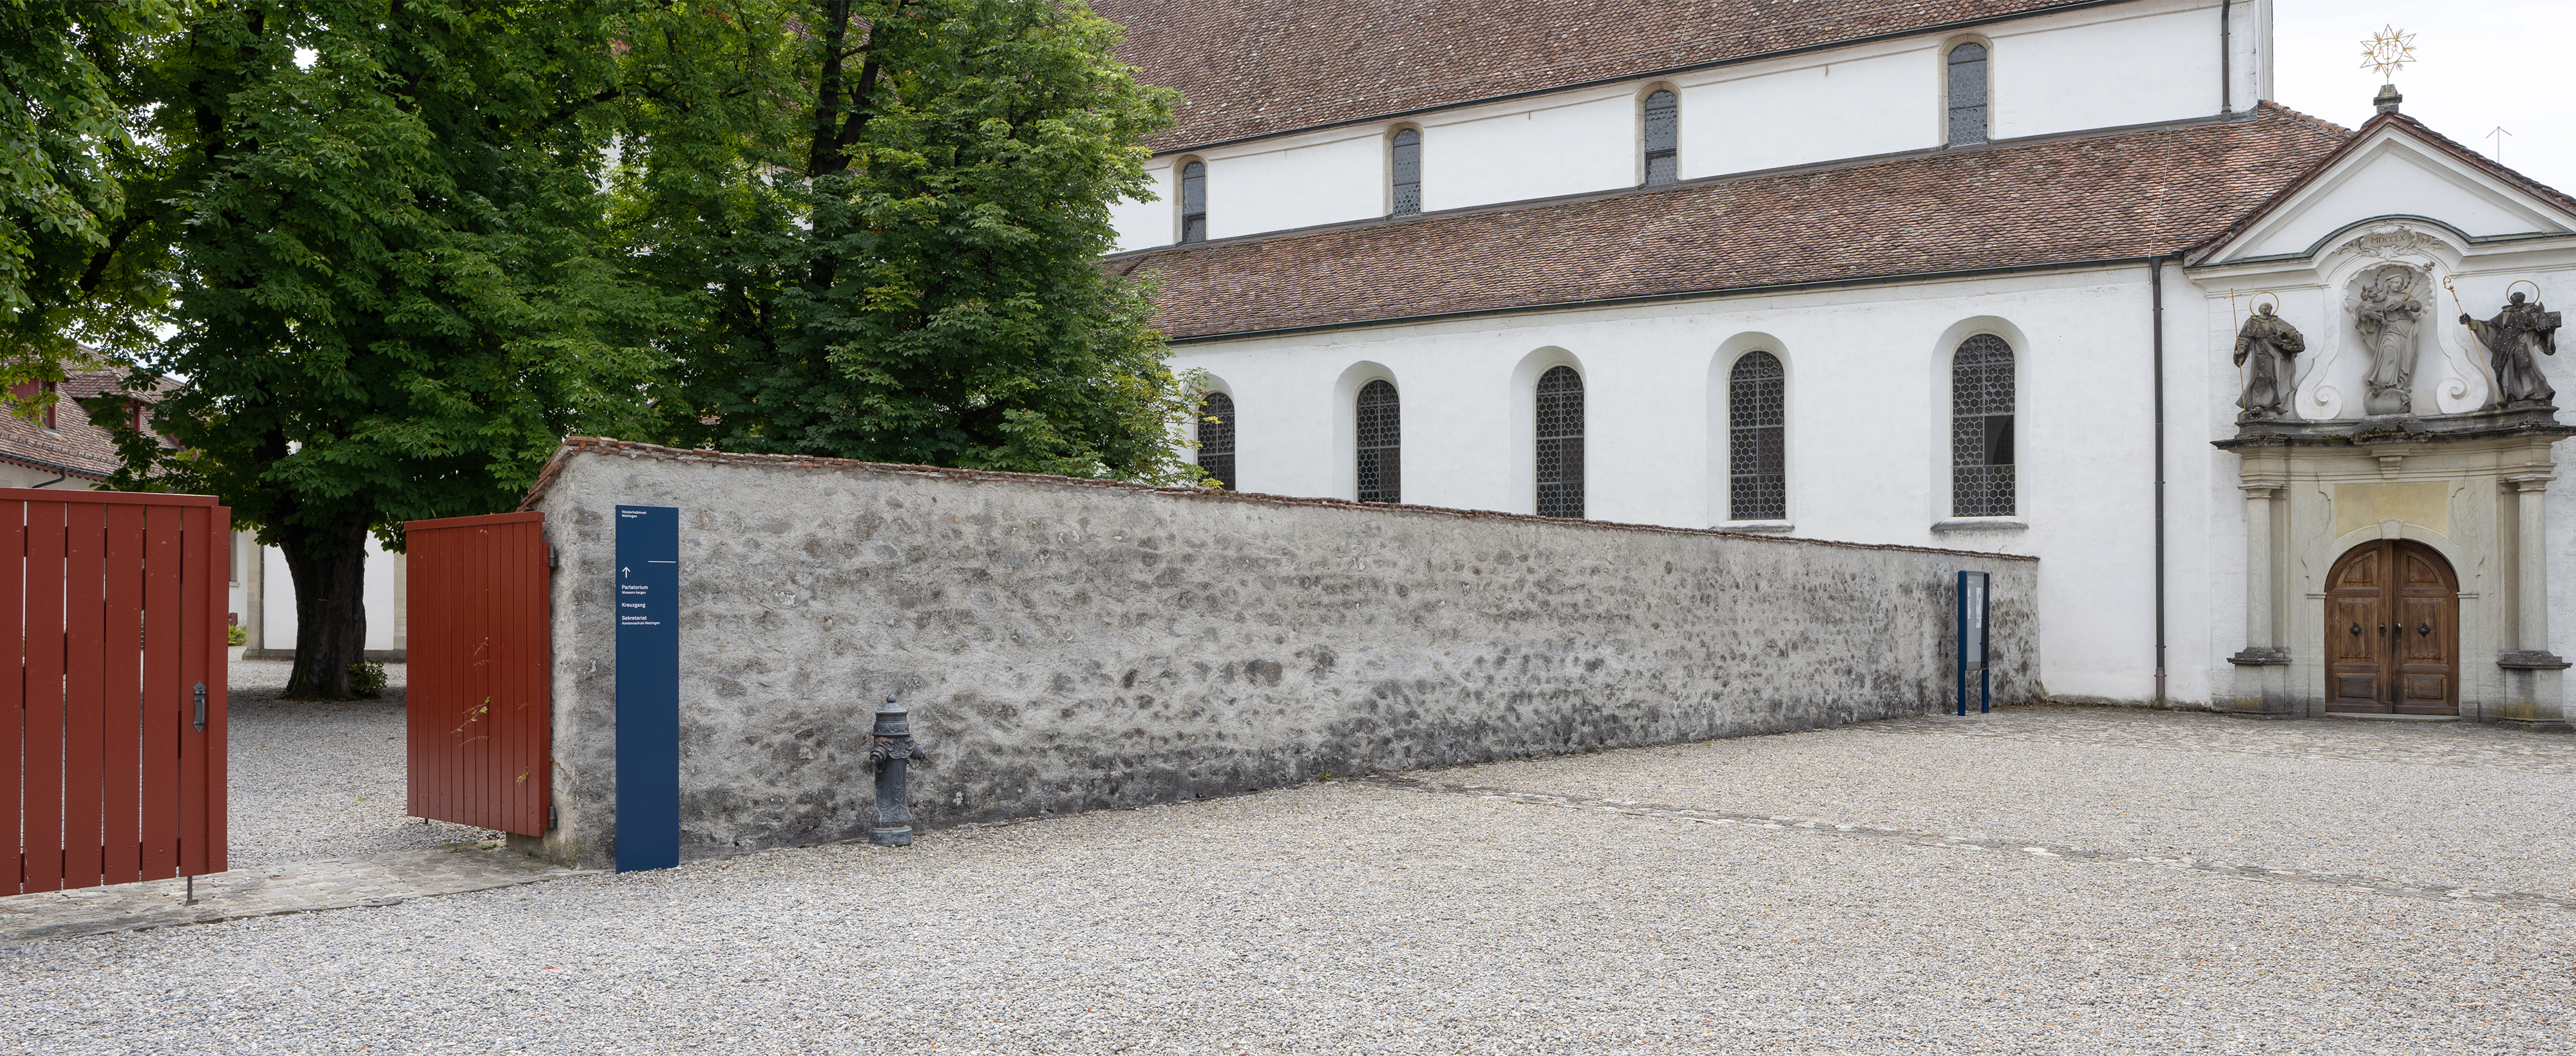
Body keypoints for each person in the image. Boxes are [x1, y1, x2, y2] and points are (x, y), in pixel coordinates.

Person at [2461, 290, 2562, 409]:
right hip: (2505, 344)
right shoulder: (2506, 313)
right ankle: (2511, 395)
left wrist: (2546, 329)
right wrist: (2472, 322)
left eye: (2518, 299)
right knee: (2508, 369)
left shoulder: (2531, 309)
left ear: (2522, 300)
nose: (2515, 301)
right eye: (2513, 299)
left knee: (2524, 363)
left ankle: (2531, 392)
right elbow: (2490, 326)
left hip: (2522, 340)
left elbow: (2541, 323)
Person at [2232, 303, 2304, 420]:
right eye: (2266, 307)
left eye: (2270, 307)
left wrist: (2297, 337)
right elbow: (2244, 339)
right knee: (2264, 377)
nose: (2268, 309)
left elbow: (2292, 332)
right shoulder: (2253, 323)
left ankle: (2274, 404)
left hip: (2278, 356)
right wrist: (2240, 352)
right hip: (2263, 355)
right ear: (2260, 309)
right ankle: (2259, 405)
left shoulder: (2276, 321)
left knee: (2276, 379)